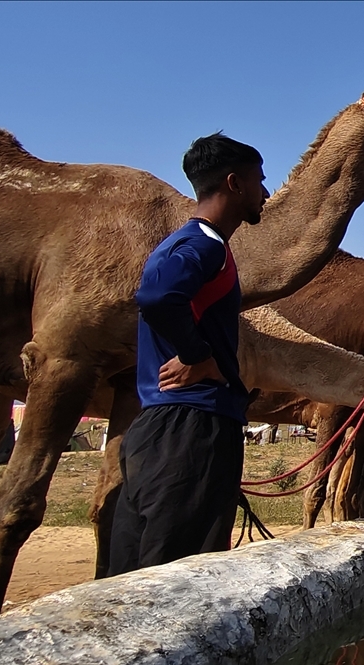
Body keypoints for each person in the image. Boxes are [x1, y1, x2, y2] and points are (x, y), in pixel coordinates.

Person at [108, 133, 269, 575]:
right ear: (234, 183)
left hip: (165, 429)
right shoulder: (205, 245)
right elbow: (158, 296)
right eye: (259, 180)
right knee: (179, 579)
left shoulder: (190, 241)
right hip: (189, 430)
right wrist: (198, 355)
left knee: (134, 572)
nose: (266, 192)